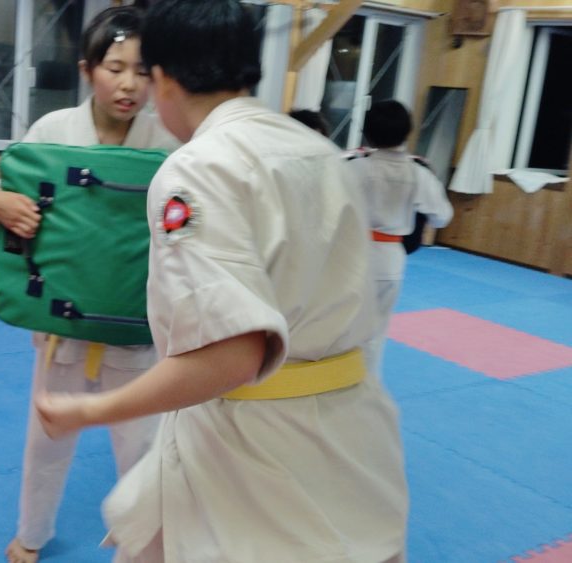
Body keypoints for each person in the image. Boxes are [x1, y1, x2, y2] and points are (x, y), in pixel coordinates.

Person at [35, 1, 409, 562]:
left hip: (255, 437)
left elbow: (230, 355)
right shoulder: (320, 151)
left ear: (163, 78)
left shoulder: (200, 167)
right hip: (353, 420)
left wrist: (91, 410)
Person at [0, 6, 178, 563]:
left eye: (141, 71)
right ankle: (32, 533)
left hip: (134, 326)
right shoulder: (53, 131)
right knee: (47, 439)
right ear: (87, 70)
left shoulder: (167, 143)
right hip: (61, 326)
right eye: (115, 68)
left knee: (142, 448)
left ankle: (144, 542)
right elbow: (11, 184)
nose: (128, 84)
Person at [346, 99, 454, 378]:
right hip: (390, 258)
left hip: (351, 254)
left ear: (367, 132)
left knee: (340, 325)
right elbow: (442, 216)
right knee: (376, 332)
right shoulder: (418, 173)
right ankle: (366, 386)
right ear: (407, 132)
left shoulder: (354, 166)